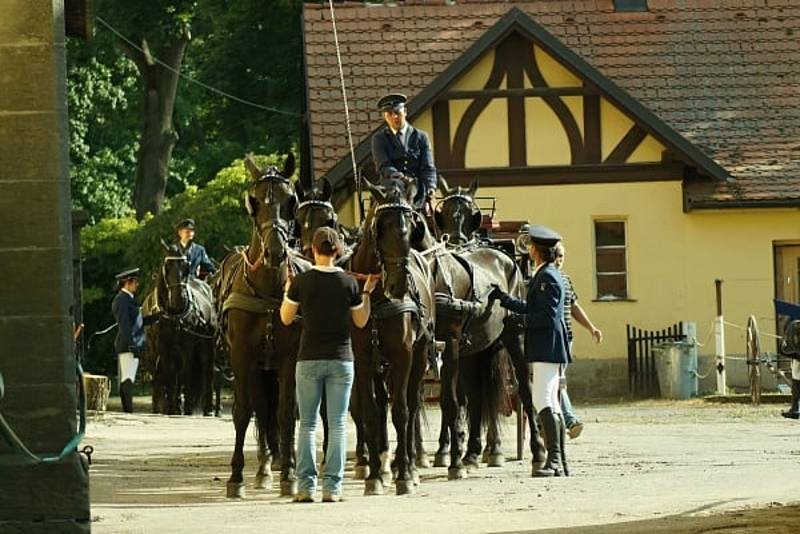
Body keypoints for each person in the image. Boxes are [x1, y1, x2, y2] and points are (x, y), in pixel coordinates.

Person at [280, 227, 378, 502]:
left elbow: (286, 318)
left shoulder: (302, 281)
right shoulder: (349, 284)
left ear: (313, 250)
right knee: (337, 425)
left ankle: (306, 487)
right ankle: (332, 488)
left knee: (308, 425)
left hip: (308, 358)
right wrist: (367, 293)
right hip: (341, 359)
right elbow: (361, 321)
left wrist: (288, 291)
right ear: (338, 251)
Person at [488, 224, 570, 477]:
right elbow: (532, 307)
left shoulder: (547, 277)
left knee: (543, 400)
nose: (529, 250)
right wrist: (505, 299)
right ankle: (559, 461)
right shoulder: (545, 273)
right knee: (550, 402)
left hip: (547, 346)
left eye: (531, 246)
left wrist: (520, 321)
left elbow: (546, 317)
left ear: (537, 250)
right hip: (547, 346)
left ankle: (554, 461)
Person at [554, 242, 603, 439]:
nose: (559, 260)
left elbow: (574, 307)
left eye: (562, 256)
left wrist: (591, 328)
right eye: (556, 255)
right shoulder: (539, 278)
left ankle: (569, 420)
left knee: (557, 380)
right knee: (557, 380)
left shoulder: (565, 279)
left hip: (566, 338)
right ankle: (569, 419)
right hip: (551, 339)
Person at [371, 93, 437, 210]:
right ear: (385, 117)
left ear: (405, 112)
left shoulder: (421, 137)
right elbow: (384, 166)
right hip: (391, 189)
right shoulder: (379, 139)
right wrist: (402, 178)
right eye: (390, 114)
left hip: (417, 193)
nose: (394, 117)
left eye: (397, 113)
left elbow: (428, 167)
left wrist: (431, 187)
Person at [111, 268, 158, 413]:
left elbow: (138, 322)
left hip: (133, 343)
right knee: (128, 378)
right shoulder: (122, 300)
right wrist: (131, 344)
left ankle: (128, 408)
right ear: (127, 283)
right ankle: (128, 409)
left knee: (129, 376)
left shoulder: (128, 300)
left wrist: (156, 317)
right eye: (135, 282)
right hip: (128, 344)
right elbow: (125, 325)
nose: (137, 285)